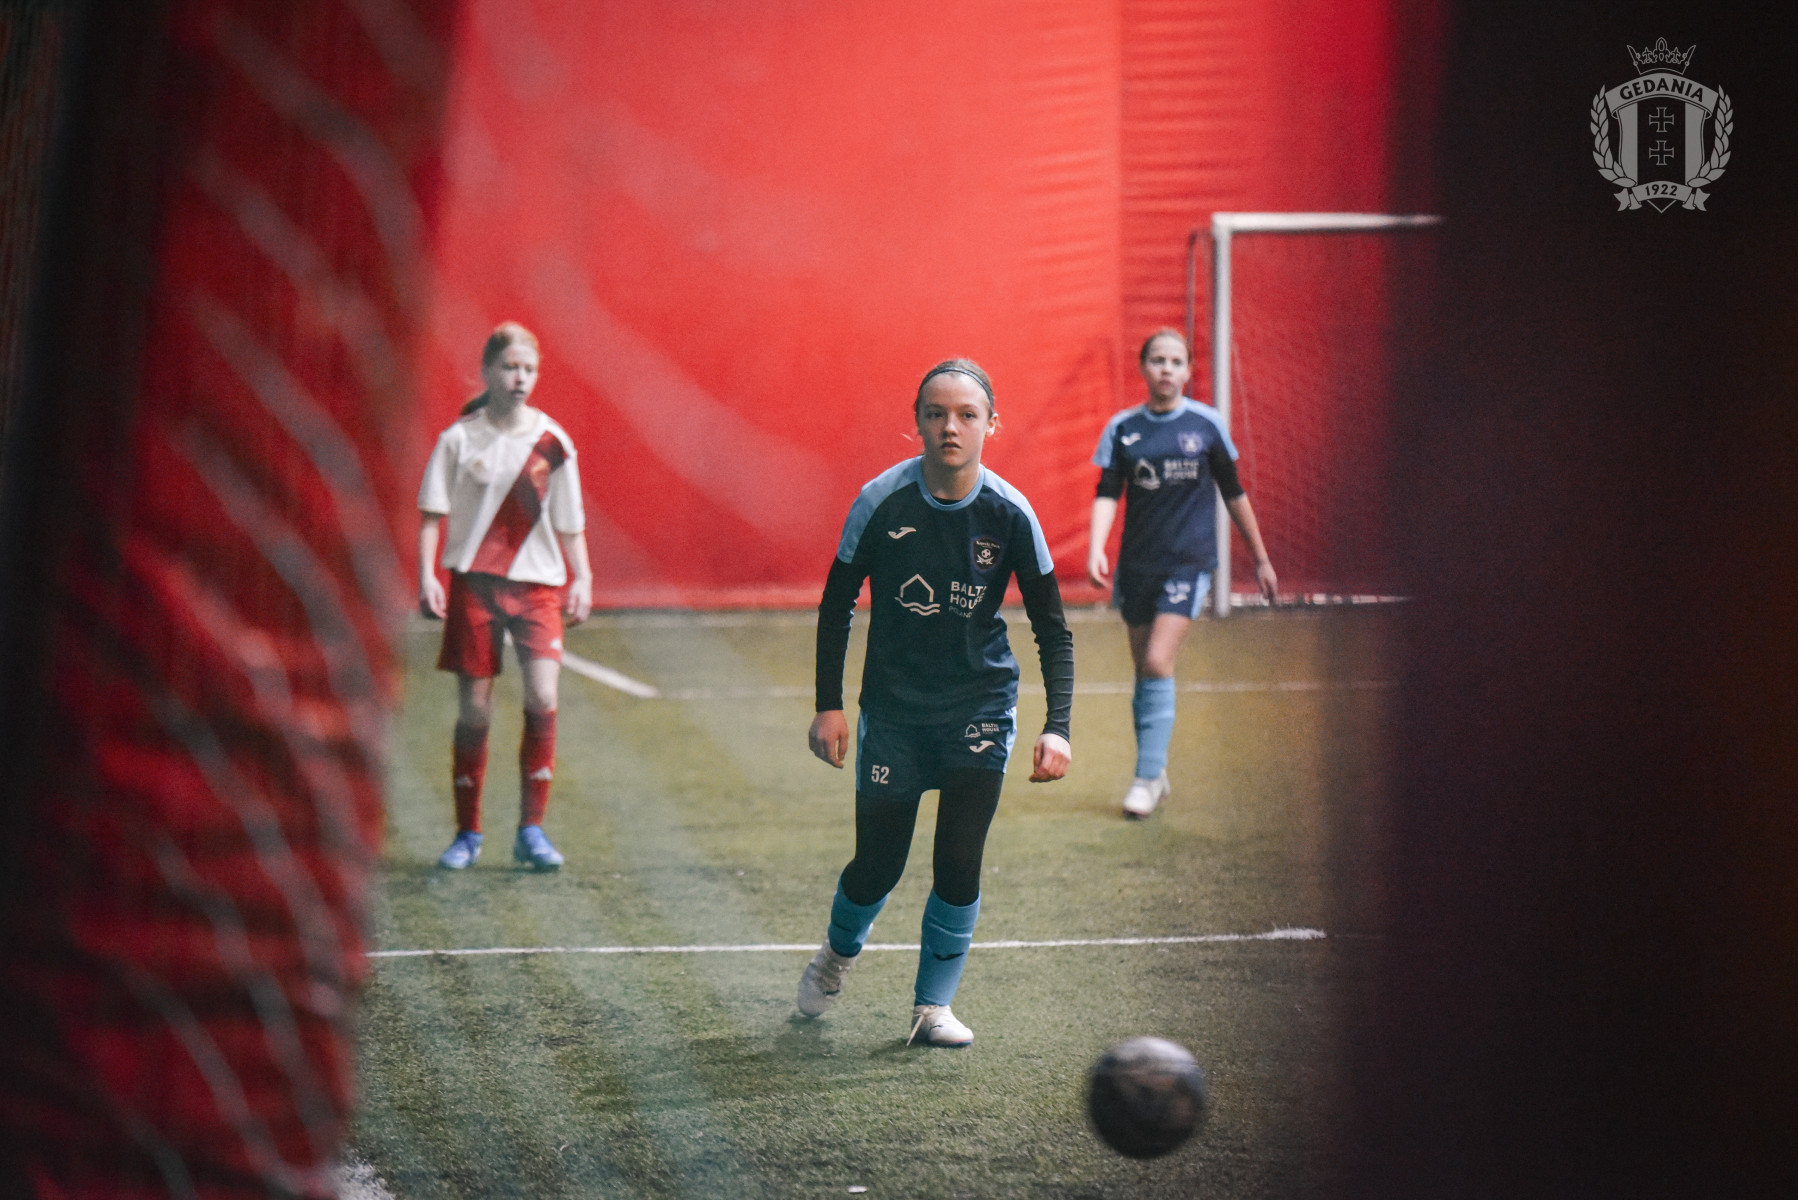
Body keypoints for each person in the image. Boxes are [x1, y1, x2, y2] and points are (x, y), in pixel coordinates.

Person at [798, 359, 1074, 1046]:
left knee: (958, 859)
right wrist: (829, 704)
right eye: (936, 414)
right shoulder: (880, 501)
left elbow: (1052, 627)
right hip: (894, 712)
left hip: (980, 705)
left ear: (990, 425)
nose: (951, 427)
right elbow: (837, 603)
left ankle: (933, 1007)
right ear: (917, 422)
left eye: (966, 415)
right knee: (877, 866)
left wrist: (1059, 726)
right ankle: (835, 955)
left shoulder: (1011, 513)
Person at [417, 322, 592, 870]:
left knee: (542, 696)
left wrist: (583, 577)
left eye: (529, 369)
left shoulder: (553, 442)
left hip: (539, 589)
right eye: (510, 367)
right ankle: (467, 834)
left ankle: (530, 831)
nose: (520, 378)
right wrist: (427, 576)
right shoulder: (458, 439)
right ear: (487, 372)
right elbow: (432, 516)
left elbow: (570, 522)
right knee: (474, 711)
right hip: (475, 588)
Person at [1086, 328, 1277, 818]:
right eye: (1157, 360)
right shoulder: (1123, 428)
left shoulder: (1207, 425)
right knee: (1143, 671)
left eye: (1176, 361)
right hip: (1137, 566)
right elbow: (1107, 493)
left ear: (1189, 370)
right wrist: (1095, 548)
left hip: (1188, 563)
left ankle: (1145, 778)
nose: (1166, 368)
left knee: (1156, 661)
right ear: (1143, 368)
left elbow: (1234, 493)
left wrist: (1259, 558)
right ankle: (1155, 770)